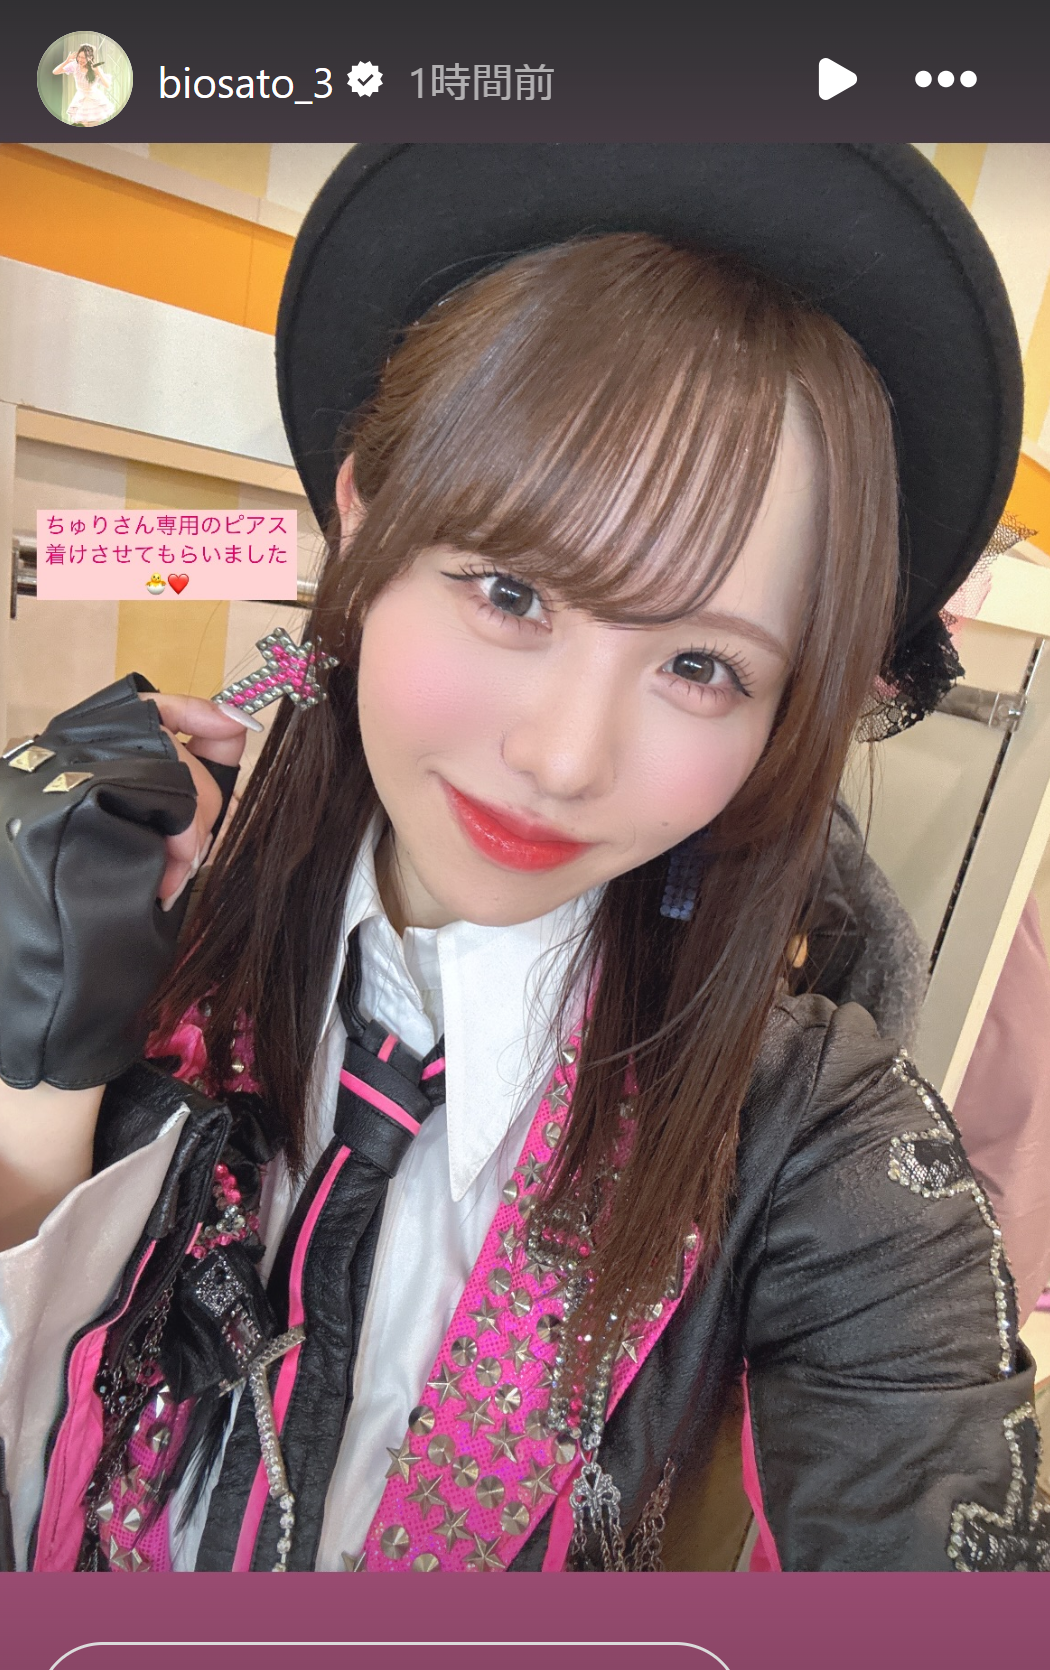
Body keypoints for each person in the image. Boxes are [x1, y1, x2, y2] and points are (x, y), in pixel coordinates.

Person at [1, 145, 1048, 1575]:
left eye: (700, 665)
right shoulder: (136, 917)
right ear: (366, 517)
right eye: (511, 591)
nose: (561, 757)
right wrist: (39, 1086)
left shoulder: (819, 1138)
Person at [51, 45, 114, 128]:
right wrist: (66, 61)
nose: (80, 60)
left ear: (90, 58)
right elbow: (55, 72)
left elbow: (107, 85)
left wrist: (99, 72)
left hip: (94, 100)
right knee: (82, 125)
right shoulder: (74, 65)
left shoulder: (95, 68)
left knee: (92, 125)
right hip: (80, 99)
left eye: (83, 58)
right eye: (79, 57)